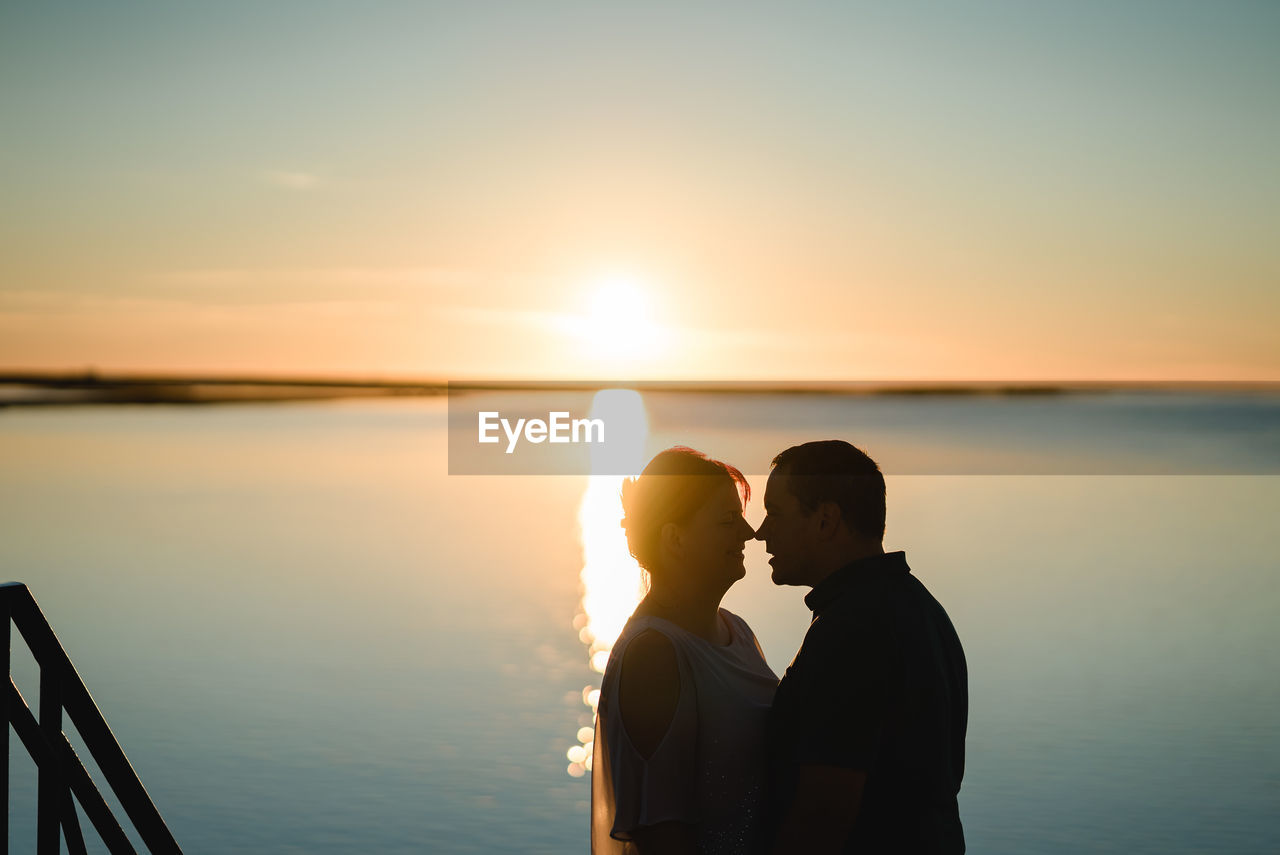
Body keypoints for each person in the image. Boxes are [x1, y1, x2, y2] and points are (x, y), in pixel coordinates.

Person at [756, 440, 967, 854]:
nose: (761, 532)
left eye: (775, 514)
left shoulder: (851, 631)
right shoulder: (922, 608)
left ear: (825, 520)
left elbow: (823, 816)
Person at [591, 446, 779, 855]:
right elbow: (660, 832)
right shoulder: (653, 657)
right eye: (729, 520)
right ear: (675, 538)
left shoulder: (739, 631)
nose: (748, 534)